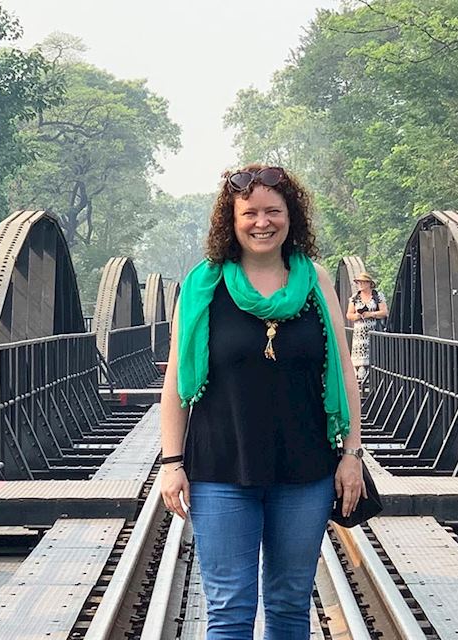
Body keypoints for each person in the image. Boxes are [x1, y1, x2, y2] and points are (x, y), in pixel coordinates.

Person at [154, 164, 367, 639]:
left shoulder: (313, 281)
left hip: (306, 470)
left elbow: (344, 371)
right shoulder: (204, 285)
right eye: (249, 212)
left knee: (290, 605)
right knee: (230, 608)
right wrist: (172, 463)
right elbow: (175, 382)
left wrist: (351, 454)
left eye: (274, 210)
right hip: (221, 470)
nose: (262, 222)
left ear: (292, 217)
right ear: (230, 221)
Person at [345, 272, 388, 384]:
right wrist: (357, 316)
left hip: (373, 331)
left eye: (362, 282)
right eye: (359, 282)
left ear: (369, 283)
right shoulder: (355, 298)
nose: (360, 284)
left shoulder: (377, 296)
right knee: (360, 357)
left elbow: (384, 312)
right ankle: (360, 381)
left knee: (374, 354)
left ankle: (375, 380)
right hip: (359, 333)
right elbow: (349, 314)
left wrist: (371, 314)